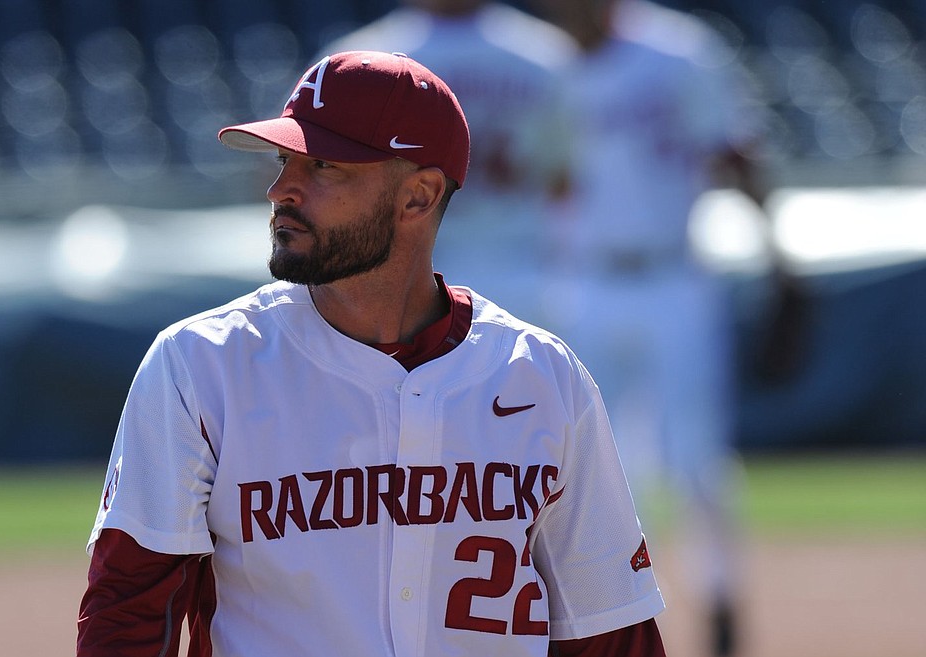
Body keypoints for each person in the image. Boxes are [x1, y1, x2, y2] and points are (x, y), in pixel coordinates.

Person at [76, 50, 668, 657]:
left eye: (325, 165)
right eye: (286, 160)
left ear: (418, 196)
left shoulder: (545, 379)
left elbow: (610, 630)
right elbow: (126, 612)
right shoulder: (200, 366)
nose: (281, 189)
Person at [529, 1, 774, 655]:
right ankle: (614, 623)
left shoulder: (678, 51)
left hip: (674, 277)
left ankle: (722, 610)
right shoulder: (538, 64)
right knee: (596, 468)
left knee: (698, 456)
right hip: (581, 283)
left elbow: (736, 151)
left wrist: (780, 260)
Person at [317, 0, 578, 321]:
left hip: (410, 270)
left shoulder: (362, 57)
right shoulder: (546, 51)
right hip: (524, 267)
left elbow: (314, 174)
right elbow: (566, 179)